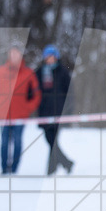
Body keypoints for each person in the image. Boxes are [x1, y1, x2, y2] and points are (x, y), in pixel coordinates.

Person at [0, 44, 41, 174]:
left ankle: (14, 168)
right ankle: (4, 168)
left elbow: (36, 94)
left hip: (20, 116)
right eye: (12, 53)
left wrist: (28, 108)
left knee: (17, 142)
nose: (14, 56)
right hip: (2, 115)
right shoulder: (0, 71)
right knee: (4, 142)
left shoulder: (28, 73)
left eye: (17, 53)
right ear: (9, 55)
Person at [35, 44, 74, 175]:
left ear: (56, 57)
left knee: (53, 140)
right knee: (50, 139)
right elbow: (34, 90)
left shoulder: (62, 72)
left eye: (52, 56)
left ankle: (51, 169)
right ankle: (67, 163)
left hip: (59, 111)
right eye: (47, 56)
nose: (50, 59)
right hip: (44, 111)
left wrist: (68, 111)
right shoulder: (40, 72)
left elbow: (70, 93)